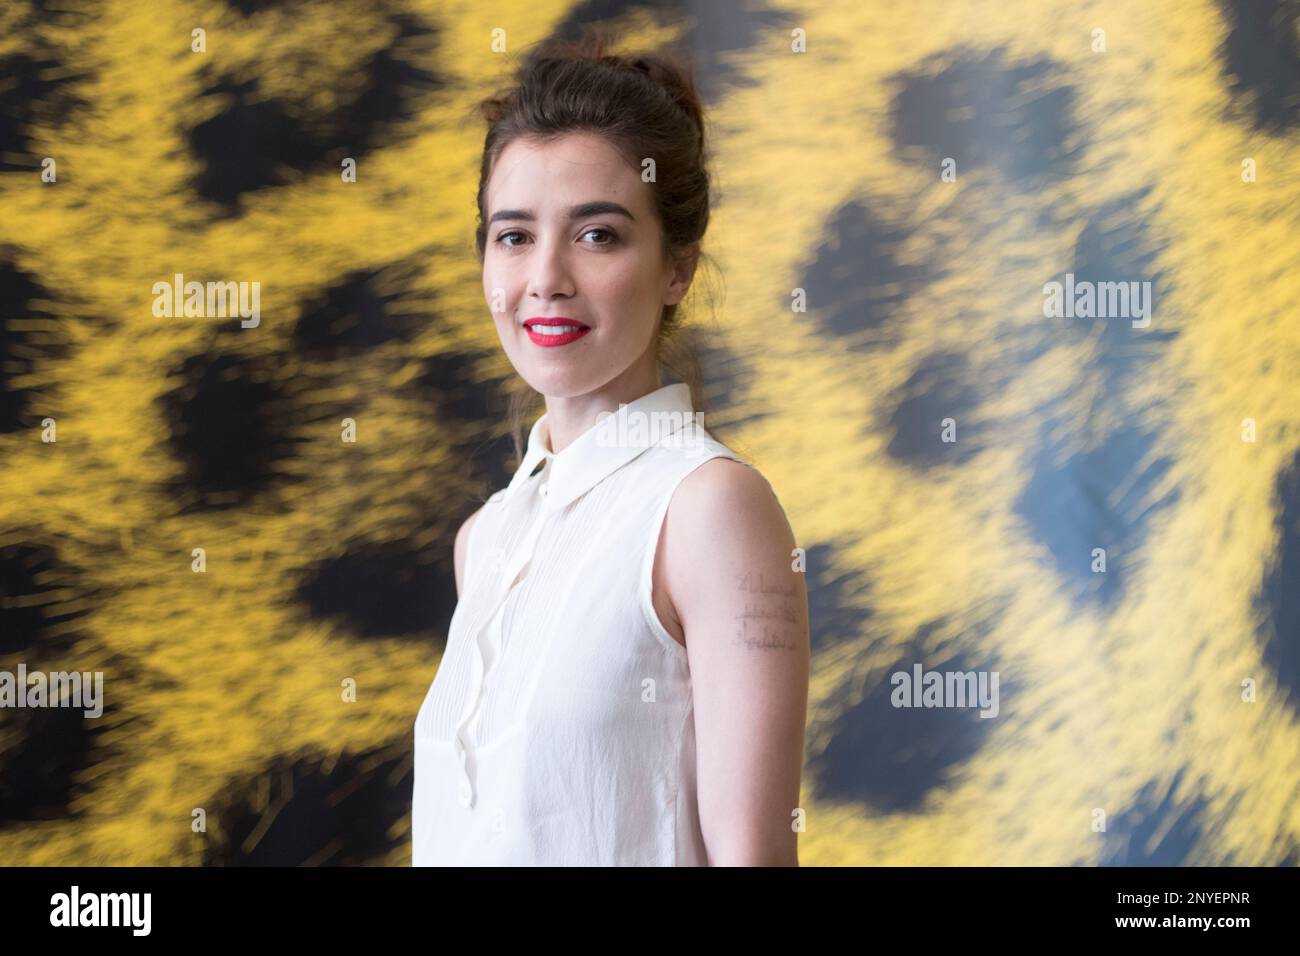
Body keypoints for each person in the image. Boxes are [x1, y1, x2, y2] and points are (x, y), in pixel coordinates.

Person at [412, 28, 810, 866]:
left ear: (678, 268)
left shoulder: (709, 506)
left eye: (597, 235)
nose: (545, 276)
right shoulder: (483, 539)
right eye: (514, 235)